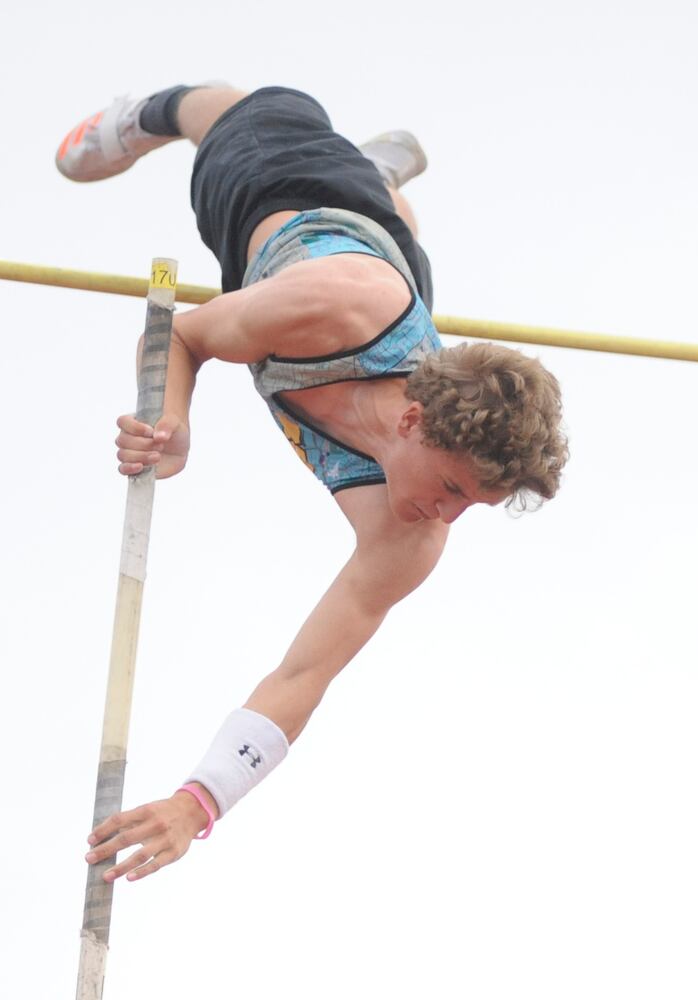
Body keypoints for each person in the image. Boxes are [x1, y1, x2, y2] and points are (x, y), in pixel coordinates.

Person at [55, 84, 568, 883]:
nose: (448, 516)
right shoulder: (332, 309)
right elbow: (185, 332)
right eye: (454, 489)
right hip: (283, 189)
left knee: (395, 237)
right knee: (219, 116)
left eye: (473, 505)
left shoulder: (410, 536)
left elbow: (304, 675)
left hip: (388, 256)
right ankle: (153, 110)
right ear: (412, 425)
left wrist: (198, 804)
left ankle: (381, 181)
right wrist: (173, 417)